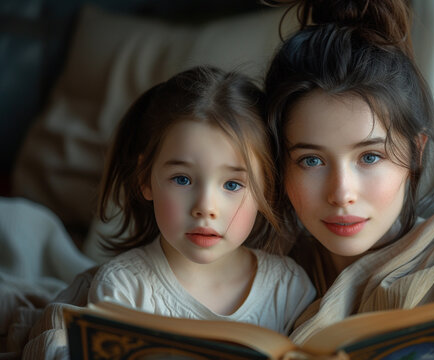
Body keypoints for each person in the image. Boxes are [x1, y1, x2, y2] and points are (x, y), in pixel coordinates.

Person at [264, 0, 434, 358]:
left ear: (415, 153)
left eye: (370, 156)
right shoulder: (260, 273)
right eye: (311, 160)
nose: (342, 193)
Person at [18, 65, 315, 359]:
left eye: (233, 184)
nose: (205, 208)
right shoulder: (124, 288)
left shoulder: (288, 288)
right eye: (182, 179)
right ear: (145, 179)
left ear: (267, 190)